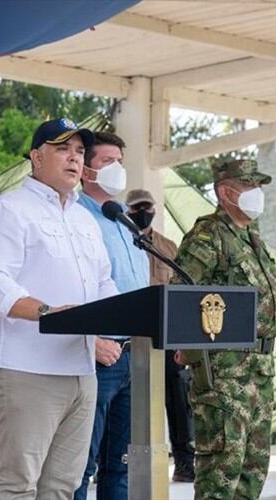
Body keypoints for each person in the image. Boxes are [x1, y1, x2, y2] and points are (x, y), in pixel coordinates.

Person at [0, 117, 118, 499]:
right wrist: (48, 313)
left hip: (82, 368)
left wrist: (116, 318)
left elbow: (104, 281)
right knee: (19, 483)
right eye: (62, 149)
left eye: (80, 152)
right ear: (36, 157)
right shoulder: (8, 209)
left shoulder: (86, 219)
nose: (74, 159)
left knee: (64, 486)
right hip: (27, 366)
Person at [172, 159, 276, 499]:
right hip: (224, 372)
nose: (256, 194)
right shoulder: (208, 235)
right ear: (226, 192)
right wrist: (189, 350)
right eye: (249, 186)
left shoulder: (252, 239)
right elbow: (182, 293)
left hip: (259, 371)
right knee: (222, 474)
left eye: (259, 187)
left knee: (252, 472)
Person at [71, 132, 147, 500]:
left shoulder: (123, 222)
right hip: (98, 354)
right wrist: (93, 339)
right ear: (86, 171)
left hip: (134, 356)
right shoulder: (75, 217)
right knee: (80, 463)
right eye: (107, 162)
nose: (117, 169)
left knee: (122, 463)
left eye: (121, 161)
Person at [126, 188, 196, 483]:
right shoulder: (122, 240)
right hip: (130, 332)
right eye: (137, 208)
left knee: (179, 398)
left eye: (147, 207)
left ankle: (184, 460)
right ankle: (115, 460)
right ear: (128, 211)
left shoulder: (167, 246)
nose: (143, 212)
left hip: (167, 333)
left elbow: (183, 292)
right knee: (125, 399)